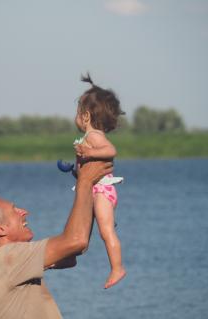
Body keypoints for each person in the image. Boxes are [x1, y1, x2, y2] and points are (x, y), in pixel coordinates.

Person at [0, 160, 113, 319]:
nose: (24, 212)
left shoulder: (8, 263)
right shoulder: (6, 259)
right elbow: (76, 240)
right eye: (14, 210)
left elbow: (74, 252)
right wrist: (85, 181)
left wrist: (94, 196)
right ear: (0, 229)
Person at [73, 73, 126, 289]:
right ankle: (71, 255)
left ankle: (117, 267)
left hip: (103, 192)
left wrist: (89, 155)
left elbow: (110, 150)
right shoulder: (89, 138)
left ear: (85, 116)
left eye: (77, 112)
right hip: (93, 191)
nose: (75, 117)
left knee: (106, 231)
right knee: (83, 231)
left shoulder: (94, 136)